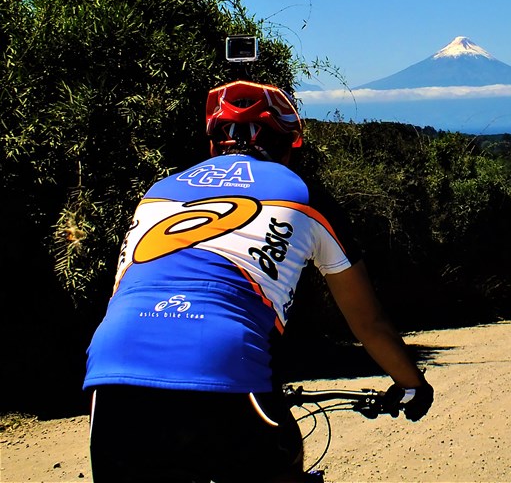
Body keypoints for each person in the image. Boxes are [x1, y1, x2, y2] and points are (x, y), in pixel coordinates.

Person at [84, 80, 433, 483]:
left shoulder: (157, 193)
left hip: (113, 368)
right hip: (224, 361)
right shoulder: (303, 194)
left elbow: (125, 294)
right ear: (286, 145)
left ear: (215, 145)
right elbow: (369, 324)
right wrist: (412, 384)